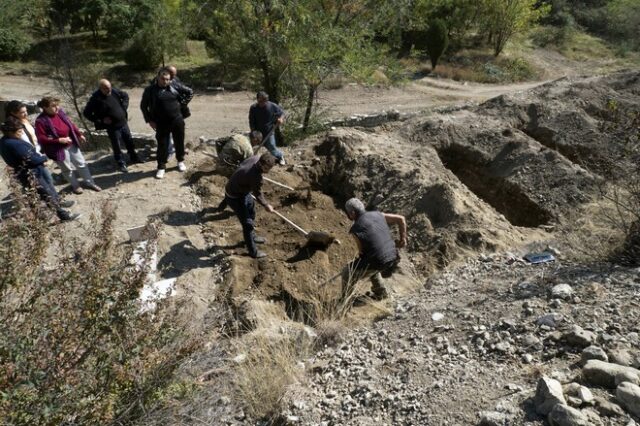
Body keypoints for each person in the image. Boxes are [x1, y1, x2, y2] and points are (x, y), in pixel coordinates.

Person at [1, 117, 80, 222]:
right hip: (31, 173)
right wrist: (43, 158)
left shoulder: (3, 141)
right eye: (19, 132)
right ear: (10, 132)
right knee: (45, 194)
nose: (21, 134)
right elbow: (31, 159)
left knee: (36, 194)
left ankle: (38, 217)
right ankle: (63, 216)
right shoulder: (14, 144)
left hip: (23, 172)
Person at [340, 198, 407, 303]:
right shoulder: (379, 214)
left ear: (352, 213)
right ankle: (382, 293)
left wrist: (360, 257)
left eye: (348, 213)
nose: (349, 216)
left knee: (347, 272)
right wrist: (403, 239)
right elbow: (401, 219)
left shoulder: (356, 229)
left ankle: (345, 302)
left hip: (379, 260)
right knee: (370, 262)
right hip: (393, 255)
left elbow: (361, 251)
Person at [35, 96, 102, 194]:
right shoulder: (40, 121)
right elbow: (42, 138)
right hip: (58, 149)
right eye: (53, 106)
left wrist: (79, 134)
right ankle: (75, 186)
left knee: (82, 164)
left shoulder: (60, 112)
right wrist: (58, 140)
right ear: (45, 107)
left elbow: (70, 124)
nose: (57, 107)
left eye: (57, 105)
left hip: (71, 143)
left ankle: (89, 182)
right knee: (67, 168)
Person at [140, 68, 193, 179]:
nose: (165, 81)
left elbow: (189, 92)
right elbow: (143, 106)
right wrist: (150, 120)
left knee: (179, 142)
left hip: (177, 120)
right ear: (158, 78)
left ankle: (180, 161)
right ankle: (161, 167)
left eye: (167, 79)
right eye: (163, 79)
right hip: (161, 122)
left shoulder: (175, 86)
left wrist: (183, 104)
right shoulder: (150, 90)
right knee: (162, 145)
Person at [223, 152, 277, 259]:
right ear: (261, 164)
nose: (269, 171)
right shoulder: (255, 176)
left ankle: (252, 236)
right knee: (247, 224)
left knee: (252, 212)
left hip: (243, 191)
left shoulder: (256, 158)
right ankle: (253, 252)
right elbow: (258, 194)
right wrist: (266, 205)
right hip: (235, 197)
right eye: (267, 168)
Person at [83, 79, 142, 173]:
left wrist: (123, 107)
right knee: (117, 146)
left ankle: (134, 157)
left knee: (129, 141)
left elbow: (125, 95)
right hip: (112, 127)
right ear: (101, 88)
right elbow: (86, 113)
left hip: (123, 123)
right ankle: (121, 163)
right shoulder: (96, 98)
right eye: (106, 89)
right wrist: (101, 120)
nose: (109, 90)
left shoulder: (113, 91)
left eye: (110, 87)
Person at [5, 100, 55, 186]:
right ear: (13, 113)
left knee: (47, 179)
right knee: (45, 181)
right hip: (32, 157)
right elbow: (23, 144)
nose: (26, 114)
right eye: (22, 112)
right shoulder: (14, 127)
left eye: (26, 111)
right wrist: (39, 158)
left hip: (38, 153)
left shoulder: (25, 120)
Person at [249, 91, 286, 165]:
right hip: (257, 133)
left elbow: (282, 113)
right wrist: (253, 132)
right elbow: (251, 121)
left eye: (265, 100)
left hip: (269, 132)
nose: (263, 103)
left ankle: (280, 157)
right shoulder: (253, 108)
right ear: (257, 100)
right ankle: (250, 161)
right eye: (261, 101)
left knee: (272, 147)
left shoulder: (272, 106)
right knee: (250, 148)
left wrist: (281, 119)